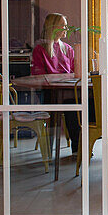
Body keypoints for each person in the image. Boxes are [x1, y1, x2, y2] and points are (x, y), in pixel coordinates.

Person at [31, 12, 79, 153]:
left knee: (80, 105)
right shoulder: (40, 49)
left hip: (68, 91)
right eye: (63, 25)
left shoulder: (68, 49)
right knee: (71, 107)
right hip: (50, 92)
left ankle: (79, 146)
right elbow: (38, 75)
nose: (66, 29)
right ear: (54, 27)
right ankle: (55, 150)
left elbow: (75, 71)